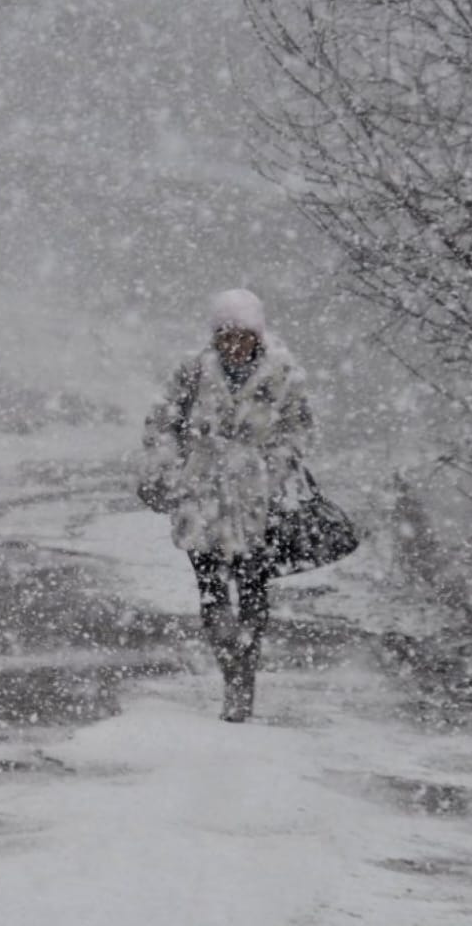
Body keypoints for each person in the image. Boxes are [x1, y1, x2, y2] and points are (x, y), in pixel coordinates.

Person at [141, 289, 312, 722]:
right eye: (225, 335)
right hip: (201, 494)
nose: (234, 344)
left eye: (242, 335)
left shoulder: (283, 375)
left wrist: (272, 468)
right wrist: (166, 472)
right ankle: (230, 670)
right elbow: (162, 424)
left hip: (257, 499)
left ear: (258, 335)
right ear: (214, 336)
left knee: (254, 589)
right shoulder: (193, 371)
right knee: (212, 589)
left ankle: (245, 675)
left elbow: (299, 430)